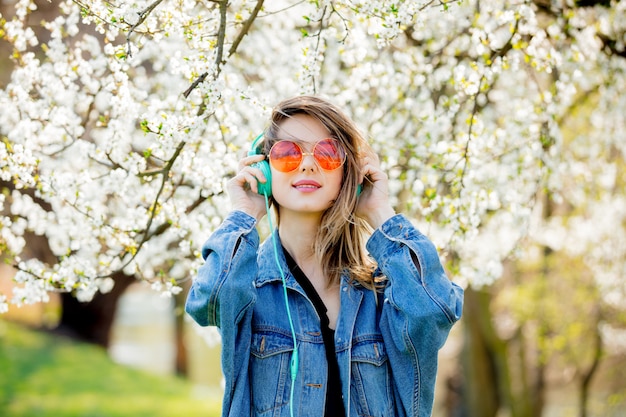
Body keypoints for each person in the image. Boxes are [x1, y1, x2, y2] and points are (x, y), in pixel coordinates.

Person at [185, 95, 464, 417]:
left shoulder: (384, 292)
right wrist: (243, 215)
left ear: (351, 173)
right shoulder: (248, 283)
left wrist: (380, 211)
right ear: (263, 167)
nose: (306, 164)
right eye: (287, 152)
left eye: (327, 152)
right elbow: (209, 302)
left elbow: (433, 313)